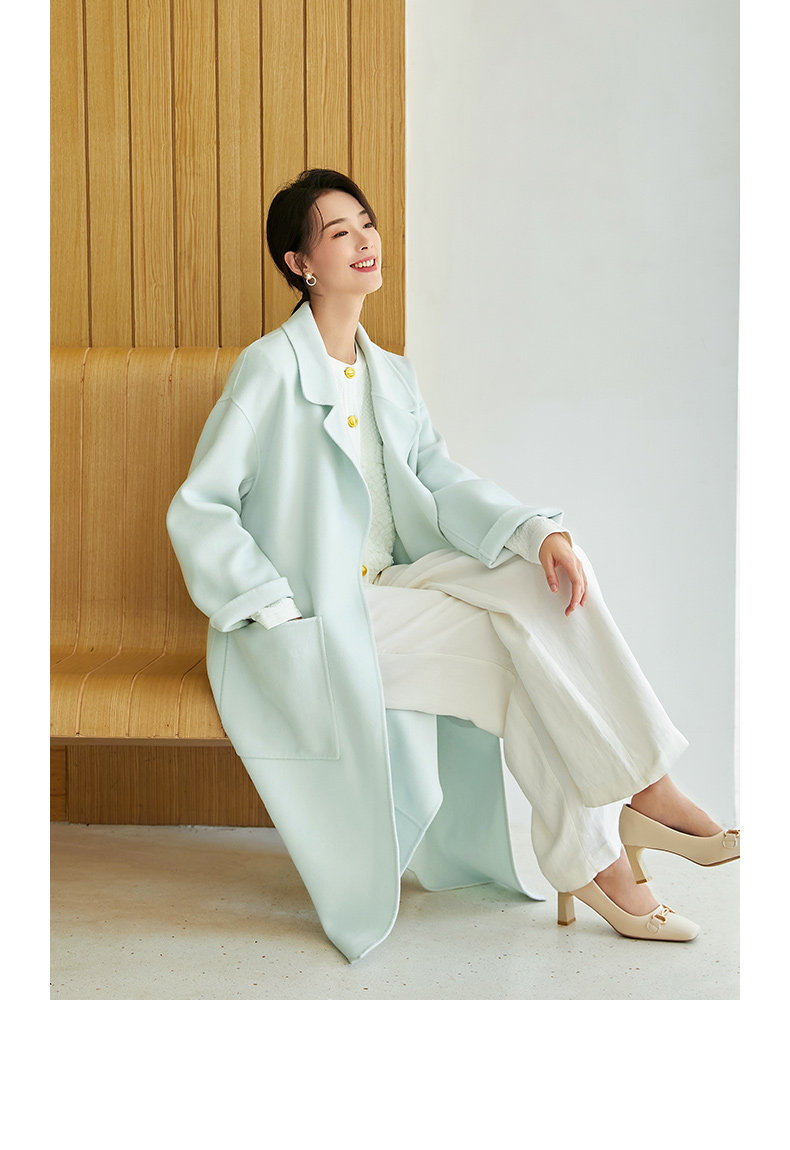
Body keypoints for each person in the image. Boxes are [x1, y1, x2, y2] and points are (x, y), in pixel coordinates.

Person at [167, 168, 739, 958]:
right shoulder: (268, 370)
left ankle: (640, 793)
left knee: (545, 577)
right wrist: (271, 602)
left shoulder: (393, 374)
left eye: (366, 224)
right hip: (318, 613)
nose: (364, 241)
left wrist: (534, 531)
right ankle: (604, 856)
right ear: (300, 264)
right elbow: (199, 505)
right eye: (339, 232)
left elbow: (439, 480)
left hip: (395, 587)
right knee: (516, 653)